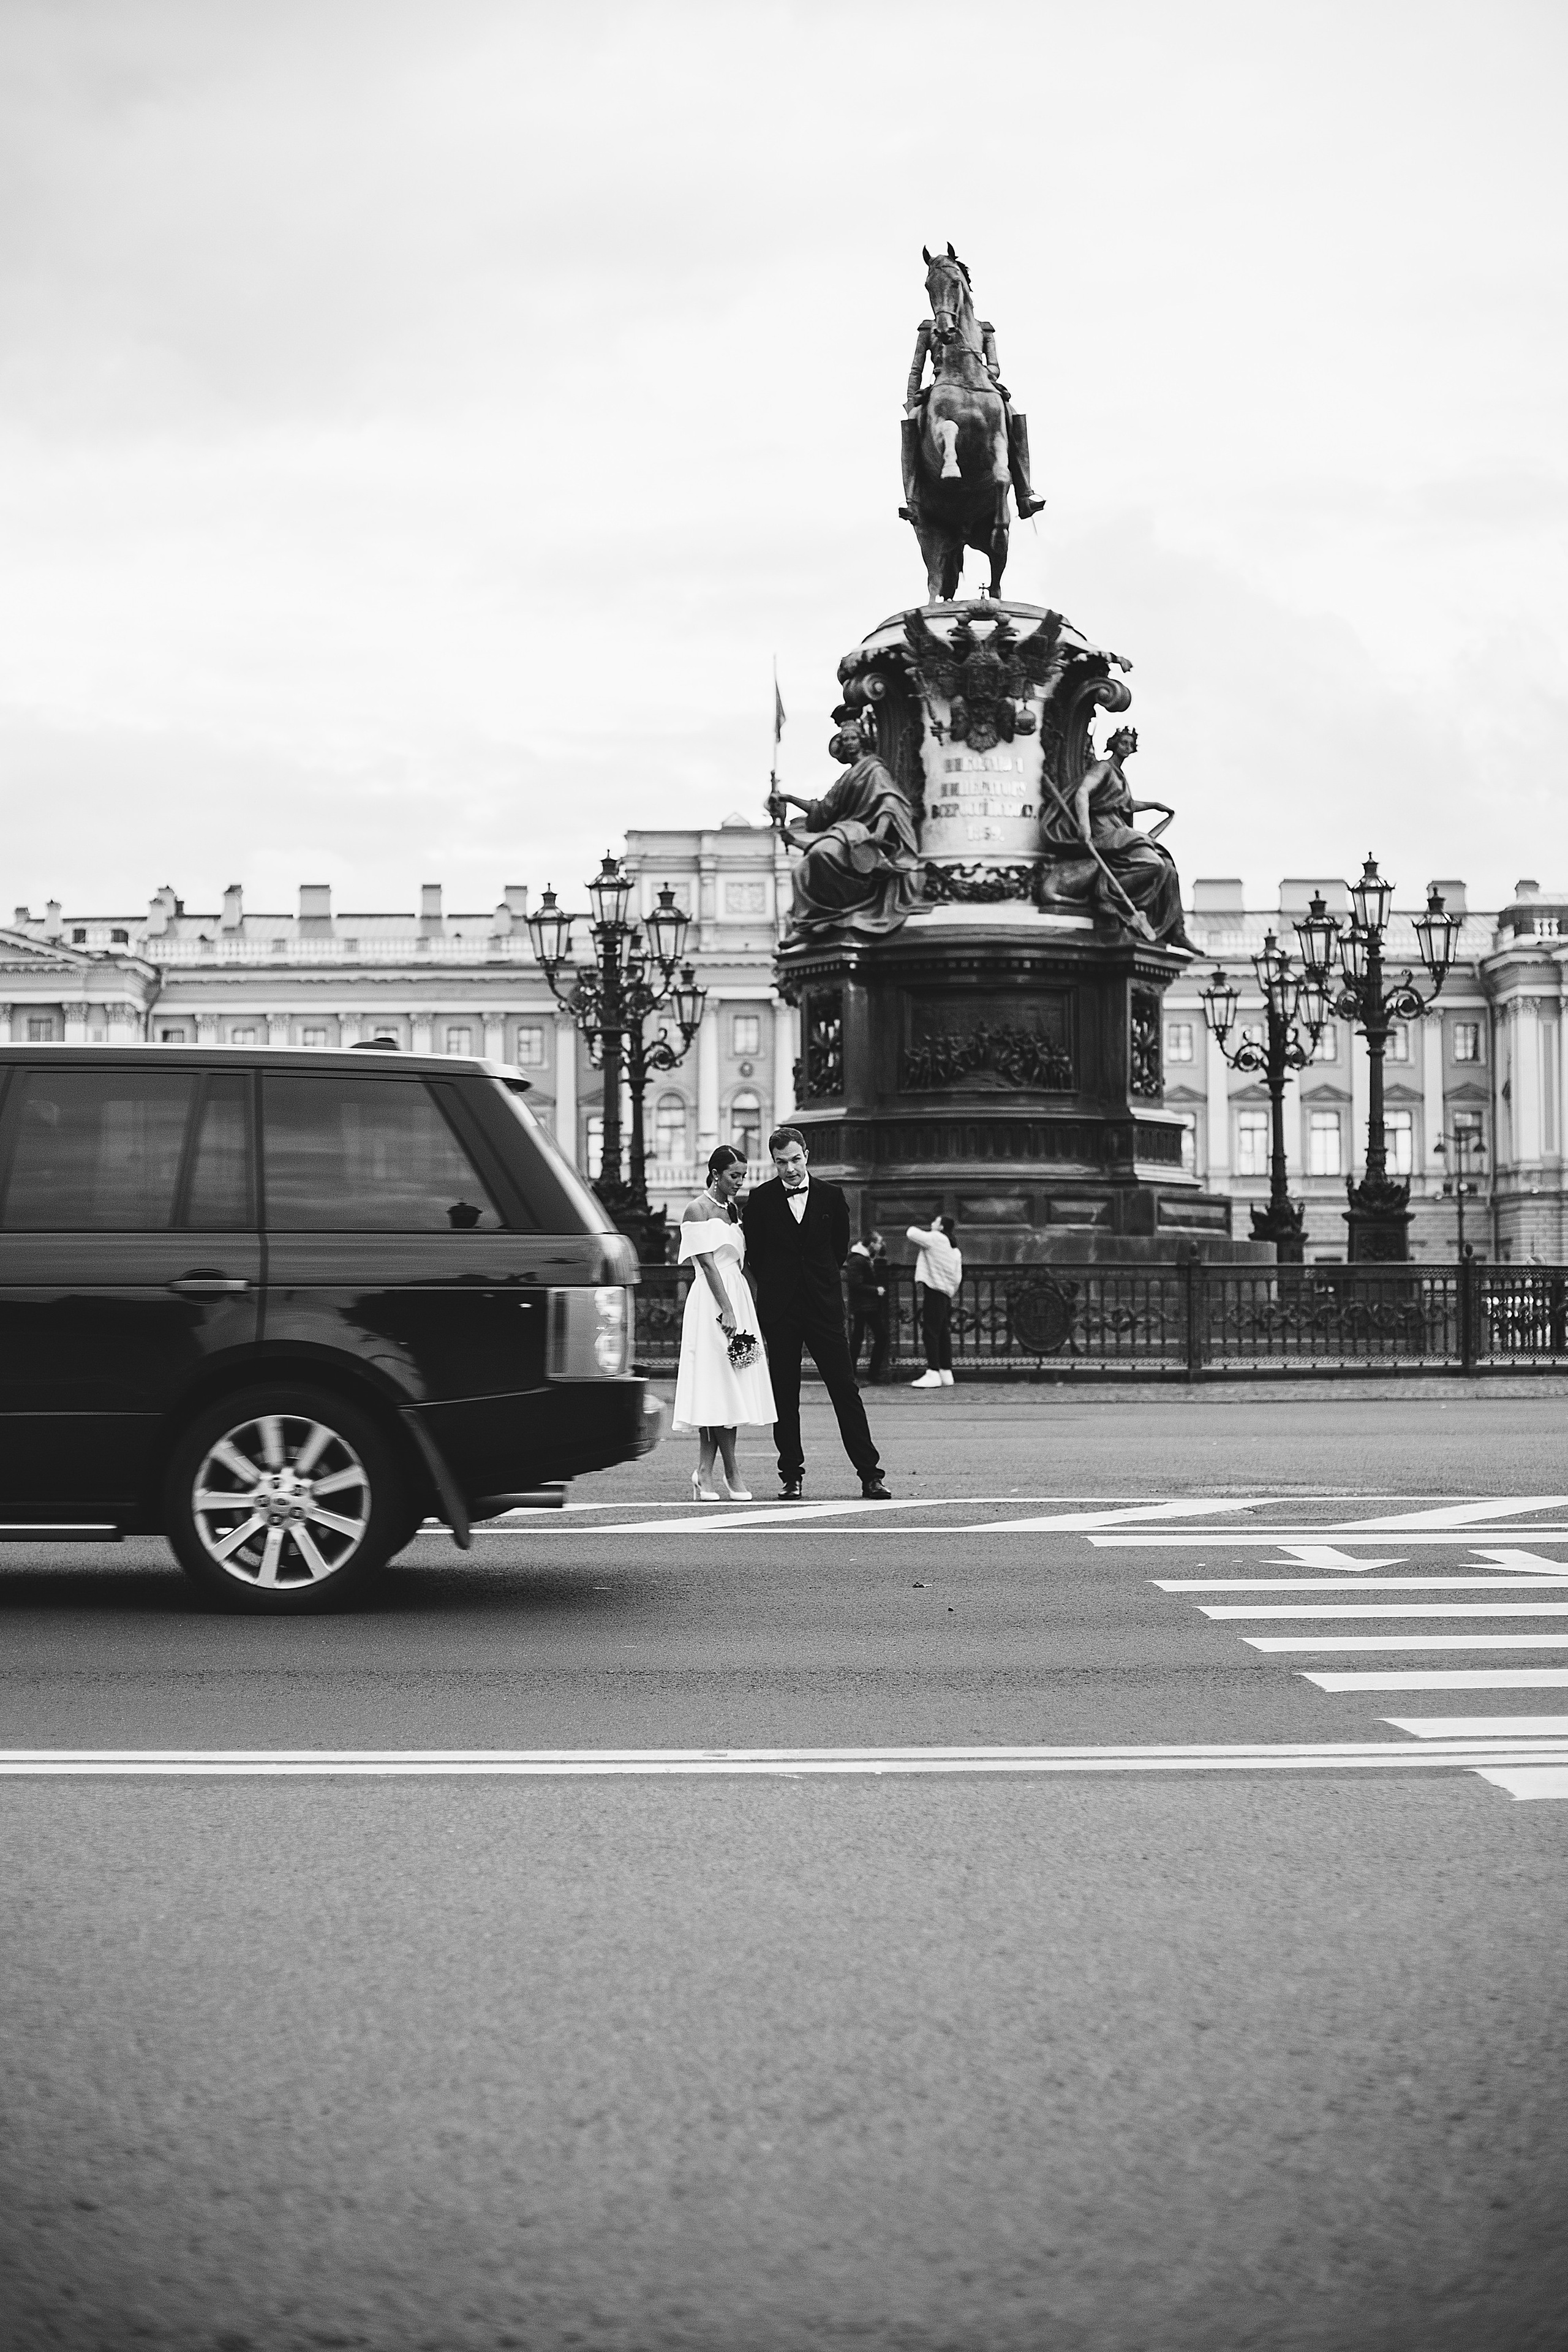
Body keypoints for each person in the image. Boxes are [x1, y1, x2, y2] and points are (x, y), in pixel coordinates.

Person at [741, 1126, 891, 1501]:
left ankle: (870, 1474)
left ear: (806, 1155)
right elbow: (755, 1255)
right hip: (781, 1309)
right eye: (781, 1162)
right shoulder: (760, 1200)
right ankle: (791, 1475)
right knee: (784, 1393)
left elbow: (838, 1250)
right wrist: (780, 1286)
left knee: (845, 1389)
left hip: (823, 1308)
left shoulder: (831, 1196)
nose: (789, 1169)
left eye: (795, 1159)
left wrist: (815, 1283)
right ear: (773, 1162)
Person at [672, 1144, 776, 1501]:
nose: (740, 1183)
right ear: (716, 1174)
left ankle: (704, 1472)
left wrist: (745, 1306)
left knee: (730, 1382)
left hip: (738, 1298)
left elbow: (740, 1263)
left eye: (744, 1177)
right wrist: (728, 1309)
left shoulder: (733, 1210)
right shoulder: (696, 1209)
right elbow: (708, 1265)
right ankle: (732, 1470)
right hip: (712, 1303)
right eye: (735, 1176)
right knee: (717, 1384)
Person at [907, 1212, 962, 1387]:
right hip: (945, 1294)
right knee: (943, 1333)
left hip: (933, 1290)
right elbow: (958, 1277)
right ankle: (946, 1372)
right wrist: (950, 1290)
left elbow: (912, 1233)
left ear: (941, 1227)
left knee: (930, 1332)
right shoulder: (954, 1249)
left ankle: (933, 1372)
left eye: (935, 1222)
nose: (932, 1223)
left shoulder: (936, 1238)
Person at [845, 1229, 891, 1385]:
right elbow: (855, 1283)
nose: (881, 1245)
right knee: (859, 1339)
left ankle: (868, 1374)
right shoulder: (858, 1260)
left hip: (867, 1306)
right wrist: (876, 1290)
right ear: (871, 1244)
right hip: (862, 1306)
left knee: (865, 1338)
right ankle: (857, 1376)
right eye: (879, 1243)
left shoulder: (864, 1258)